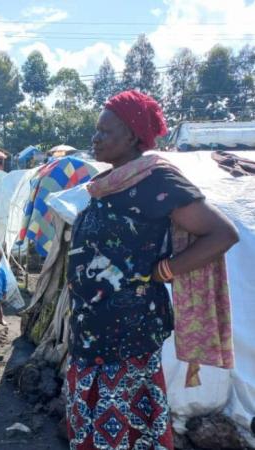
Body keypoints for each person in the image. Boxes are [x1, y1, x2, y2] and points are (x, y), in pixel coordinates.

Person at [65, 90, 239, 450]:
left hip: (129, 335)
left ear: (131, 135)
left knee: (128, 433)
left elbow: (222, 233)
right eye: (95, 131)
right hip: (89, 331)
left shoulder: (157, 180)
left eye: (104, 131)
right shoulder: (108, 184)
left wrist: (165, 271)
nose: (95, 138)